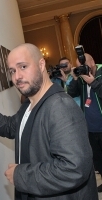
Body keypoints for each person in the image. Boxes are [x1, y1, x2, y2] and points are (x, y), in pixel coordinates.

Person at [0, 43, 98, 199]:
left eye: (23, 67)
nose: (17, 77)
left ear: (41, 65)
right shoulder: (29, 103)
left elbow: (74, 169)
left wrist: (21, 175)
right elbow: (12, 127)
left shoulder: (60, 106)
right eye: (12, 71)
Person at [67, 53, 102, 193]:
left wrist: (93, 82)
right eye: (79, 67)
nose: (82, 69)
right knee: (98, 159)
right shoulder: (81, 78)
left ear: (92, 62)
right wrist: (75, 78)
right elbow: (72, 94)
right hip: (90, 128)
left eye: (84, 65)